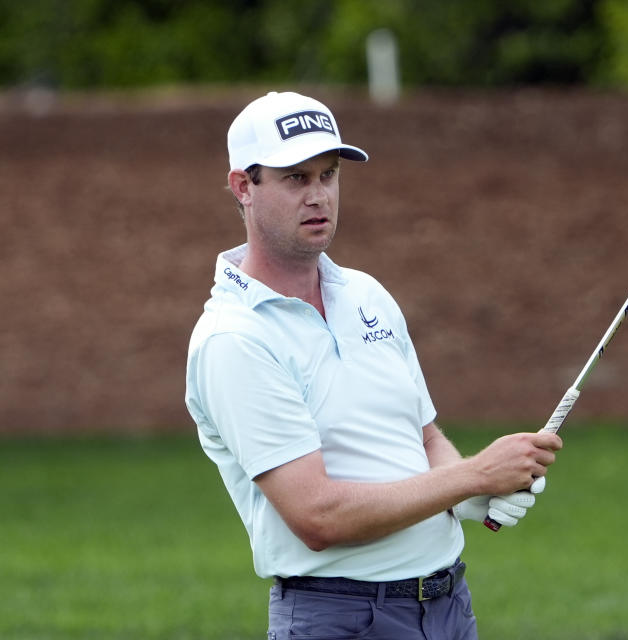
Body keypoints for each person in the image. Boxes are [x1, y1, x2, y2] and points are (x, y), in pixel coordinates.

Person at [184, 91, 563, 640]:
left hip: (448, 604)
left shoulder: (365, 293)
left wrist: (473, 496)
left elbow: (425, 436)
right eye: (295, 178)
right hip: (340, 617)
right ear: (243, 186)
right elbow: (318, 517)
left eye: (329, 174)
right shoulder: (233, 338)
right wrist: (474, 474)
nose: (318, 196)